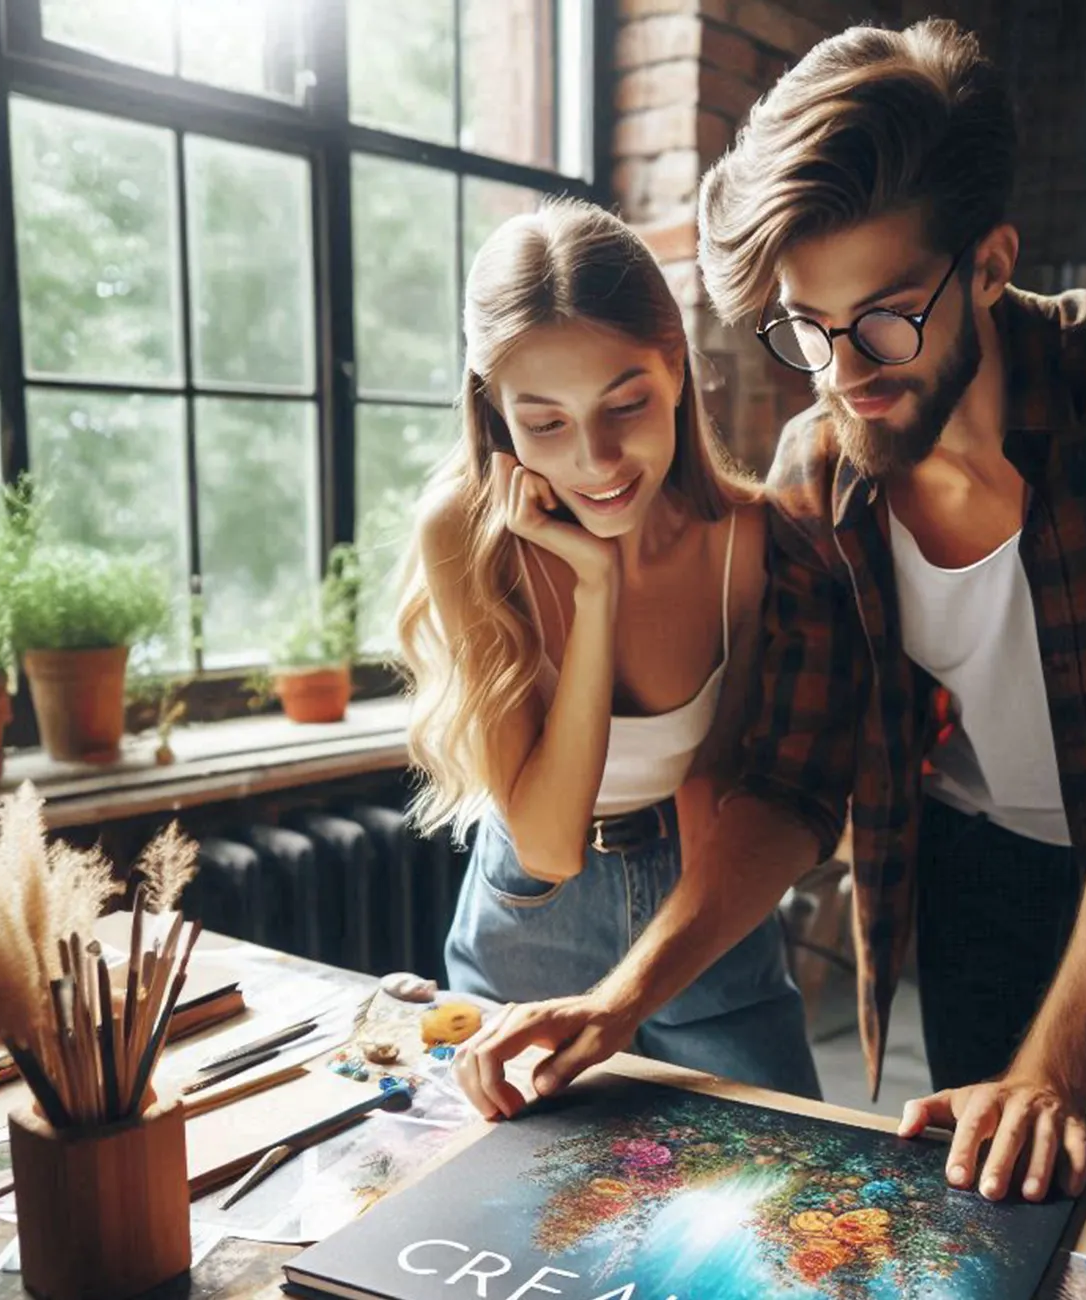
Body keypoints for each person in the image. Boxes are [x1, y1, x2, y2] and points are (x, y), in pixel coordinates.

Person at [454, 20, 1086, 1204]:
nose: (846, 370)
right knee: (989, 1207)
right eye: (807, 328)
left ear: (992, 264)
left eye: (888, 316)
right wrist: (619, 997)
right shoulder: (817, 471)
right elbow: (792, 787)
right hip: (968, 873)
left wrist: (1053, 1071)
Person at [396, 199, 822, 1105]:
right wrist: (596, 588)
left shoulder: (747, 538)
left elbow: (721, 788)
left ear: (675, 371)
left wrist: (649, 985)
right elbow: (548, 843)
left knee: (776, 1204)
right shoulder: (465, 537)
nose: (595, 462)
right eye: (543, 423)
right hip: (531, 920)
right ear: (495, 414)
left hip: (701, 902)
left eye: (624, 404)